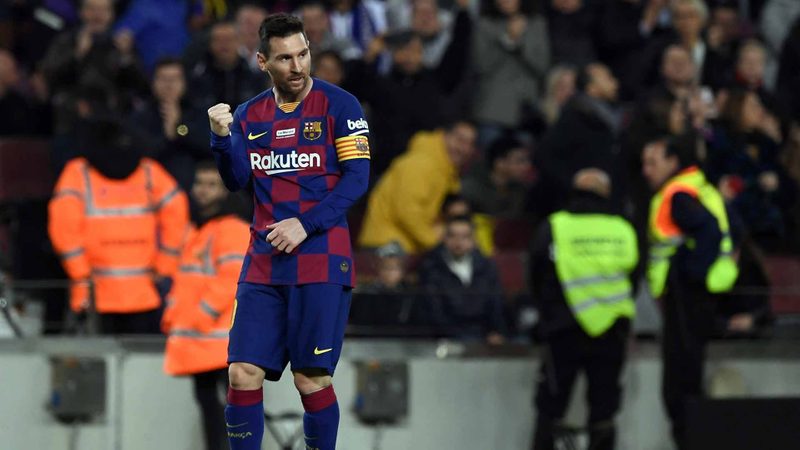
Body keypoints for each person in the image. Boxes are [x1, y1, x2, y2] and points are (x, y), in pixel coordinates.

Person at [206, 13, 370, 450]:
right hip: (263, 262)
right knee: (241, 372)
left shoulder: (341, 106)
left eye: (303, 54)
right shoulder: (249, 115)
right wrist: (221, 138)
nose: (297, 67)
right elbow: (236, 179)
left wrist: (306, 224)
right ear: (263, 61)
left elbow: (357, 179)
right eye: (284, 58)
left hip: (321, 259)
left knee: (310, 377)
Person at [48, 117, 189, 334]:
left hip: (94, 294)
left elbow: (64, 229)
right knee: (140, 353)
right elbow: (177, 212)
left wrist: (80, 273)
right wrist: (165, 265)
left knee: (97, 354)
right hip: (142, 291)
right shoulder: (148, 171)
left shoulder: (78, 174)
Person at [529, 168, 638, 450]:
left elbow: (536, 274)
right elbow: (634, 277)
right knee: (604, 411)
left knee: (551, 407)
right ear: (606, 194)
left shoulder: (554, 226)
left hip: (562, 328)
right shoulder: (623, 229)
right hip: (611, 331)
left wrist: (548, 312)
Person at [641, 134, 738, 449]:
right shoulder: (699, 188)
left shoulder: (679, 195)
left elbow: (709, 230)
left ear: (673, 162)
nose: (646, 170)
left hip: (686, 296)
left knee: (680, 383)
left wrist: (690, 274)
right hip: (695, 295)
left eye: (653, 162)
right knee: (688, 377)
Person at [162, 161, 250, 450]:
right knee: (209, 405)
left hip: (221, 338)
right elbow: (186, 281)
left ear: (226, 191)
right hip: (204, 339)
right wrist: (174, 317)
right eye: (200, 183)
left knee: (227, 409)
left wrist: (202, 314)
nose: (203, 190)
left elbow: (231, 279)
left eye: (212, 185)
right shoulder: (199, 229)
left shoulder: (231, 228)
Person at [358, 119, 477, 254]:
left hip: (407, 246)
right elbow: (406, 211)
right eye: (460, 140)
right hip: (386, 246)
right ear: (444, 135)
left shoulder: (446, 172)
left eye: (470, 144)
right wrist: (435, 243)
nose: (463, 148)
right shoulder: (420, 164)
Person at [418, 215, 506, 343]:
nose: (458, 242)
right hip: (448, 337)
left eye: (465, 236)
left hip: (484, 335)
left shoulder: (487, 267)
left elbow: (496, 304)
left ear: (474, 239)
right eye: (452, 236)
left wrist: (496, 331)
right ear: (444, 238)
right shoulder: (431, 268)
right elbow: (434, 311)